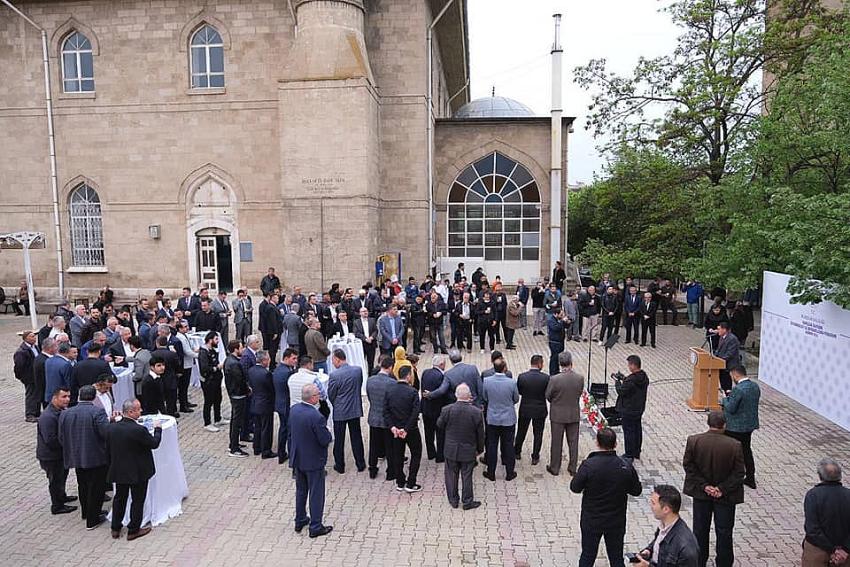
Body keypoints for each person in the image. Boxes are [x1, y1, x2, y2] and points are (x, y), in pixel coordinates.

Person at [570, 428, 643, 567]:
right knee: (616, 557)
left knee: (588, 555)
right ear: (615, 444)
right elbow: (636, 491)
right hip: (616, 520)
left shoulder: (589, 465)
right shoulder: (625, 466)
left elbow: (575, 487)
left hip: (592, 519)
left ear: (597, 443)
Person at [683, 411, 746, 567]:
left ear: (708, 423)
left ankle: (699, 561)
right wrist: (721, 489)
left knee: (700, 530)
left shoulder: (694, 441)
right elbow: (739, 473)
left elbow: (689, 466)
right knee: (724, 532)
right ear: (724, 424)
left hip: (701, 494)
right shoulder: (735, 445)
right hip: (725, 496)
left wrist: (705, 486)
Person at [107, 399, 162, 541]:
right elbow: (154, 444)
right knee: (137, 500)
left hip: (119, 469)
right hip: (138, 471)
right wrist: (157, 429)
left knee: (120, 498)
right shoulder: (139, 430)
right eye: (138, 409)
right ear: (130, 412)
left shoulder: (112, 427)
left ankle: (115, 527)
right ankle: (133, 529)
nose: (141, 410)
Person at [58, 385, 110, 530]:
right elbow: (106, 434)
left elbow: (61, 436)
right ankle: (93, 519)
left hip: (76, 456)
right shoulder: (97, 412)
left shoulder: (66, 413)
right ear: (94, 397)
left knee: (83, 485)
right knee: (96, 487)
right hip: (95, 457)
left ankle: (86, 512)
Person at [290, 383, 334, 538]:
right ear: (313, 397)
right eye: (318, 395)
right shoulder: (316, 417)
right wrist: (327, 431)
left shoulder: (294, 410)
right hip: (314, 460)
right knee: (316, 493)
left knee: (301, 490)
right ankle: (315, 526)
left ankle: (300, 519)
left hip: (298, 458)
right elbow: (325, 439)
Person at [437, 383, 484, 510]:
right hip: (468, 450)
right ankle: (467, 501)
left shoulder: (446, 410)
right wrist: (480, 449)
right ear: (469, 396)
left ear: (456, 395)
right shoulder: (476, 412)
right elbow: (481, 434)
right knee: (467, 475)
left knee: (451, 474)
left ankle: (453, 500)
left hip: (451, 449)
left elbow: (439, 425)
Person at [633, 485, 700, 567]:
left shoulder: (686, 548)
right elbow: (658, 542)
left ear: (666, 509)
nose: (650, 506)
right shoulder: (664, 525)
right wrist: (649, 550)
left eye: (653, 503)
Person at [802, 458, 850, 567]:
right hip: (845, 554)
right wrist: (845, 549)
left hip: (817, 550)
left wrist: (832, 550)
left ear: (820, 476)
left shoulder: (813, 495)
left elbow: (812, 529)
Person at [37, 387, 76, 515]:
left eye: (68, 396)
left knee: (61, 477)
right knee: (55, 480)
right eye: (63, 397)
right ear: (54, 398)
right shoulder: (48, 417)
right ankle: (57, 506)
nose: (67, 400)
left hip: (59, 455)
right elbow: (50, 440)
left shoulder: (59, 411)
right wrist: (68, 444)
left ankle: (62, 496)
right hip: (51, 456)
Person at [383, 365, 422, 493]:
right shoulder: (413, 392)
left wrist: (393, 427)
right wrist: (405, 429)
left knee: (397, 455)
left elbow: (385, 411)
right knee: (416, 453)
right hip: (410, 430)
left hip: (395, 431)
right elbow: (415, 413)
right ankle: (411, 483)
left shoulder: (389, 390)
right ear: (408, 376)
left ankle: (400, 481)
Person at [720, 365, 759, 489]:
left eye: (731, 376)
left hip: (735, 427)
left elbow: (731, 408)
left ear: (736, 375)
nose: (732, 378)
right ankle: (751, 478)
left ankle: (729, 476)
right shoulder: (755, 386)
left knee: (730, 452)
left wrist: (725, 399)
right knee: (746, 451)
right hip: (749, 426)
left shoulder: (738, 390)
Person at [546, 351, 585, 476]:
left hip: (557, 414)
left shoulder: (554, 379)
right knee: (573, 442)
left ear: (559, 364)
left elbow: (548, 395)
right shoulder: (579, 378)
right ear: (571, 363)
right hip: (573, 413)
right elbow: (579, 393)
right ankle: (573, 468)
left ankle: (555, 467)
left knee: (556, 442)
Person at [327, 349, 366, 474]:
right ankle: (360, 463)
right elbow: (358, 386)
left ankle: (340, 465)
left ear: (338, 359)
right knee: (356, 437)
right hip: (354, 409)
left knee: (339, 440)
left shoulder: (334, 376)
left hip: (340, 412)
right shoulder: (357, 370)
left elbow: (331, 394)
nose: (333, 362)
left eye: (333, 360)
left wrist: (337, 404)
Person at [481, 358, 518, 482]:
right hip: (508, 418)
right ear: (504, 368)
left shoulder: (486, 381)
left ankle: (491, 472)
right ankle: (509, 472)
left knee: (492, 445)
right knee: (508, 445)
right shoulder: (512, 382)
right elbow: (516, 399)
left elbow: (485, 397)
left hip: (492, 418)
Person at [514, 354, 549, 465]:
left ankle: (517, 451)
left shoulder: (522, 377)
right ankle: (535, 456)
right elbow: (547, 393)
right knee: (538, 433)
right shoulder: (546, 378)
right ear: (539, 364)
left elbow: (519, 391)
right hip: (540, 409)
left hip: (525, 408)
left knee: (521, 431)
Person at [366, 355, 397, 480]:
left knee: (373, 445)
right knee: (389, 446)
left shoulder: (370, 380)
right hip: (387, 419)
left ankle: (372, 470)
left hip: (373, 417)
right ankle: (390, 472)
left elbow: (369, 397)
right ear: (390, 367)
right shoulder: (392, 383)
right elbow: (393, 402)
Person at [615, 355, 649, 461]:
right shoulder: (643, 377)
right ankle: (636, 451)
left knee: (629, 431)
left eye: (629, 364)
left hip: (628, 410)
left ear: (634, 365)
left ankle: (629, 454)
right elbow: (632, 384)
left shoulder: (631, 380)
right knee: (637, 429)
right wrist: (624, 378)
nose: (628, 367)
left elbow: (621, 391)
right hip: (639, 408)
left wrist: (617, 381)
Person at [224, 340, 251, 458]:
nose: (243, 350)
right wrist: (247, 390)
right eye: (241, 348)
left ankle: (234, 443)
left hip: (235, 393)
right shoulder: (234, 363)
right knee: (236, 421)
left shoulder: (230, 360)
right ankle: (234, 447)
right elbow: (240, 380)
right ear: (235, 349)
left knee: (236, 420)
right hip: (237, 395)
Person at [248, 350, 276, 459]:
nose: (269, 361)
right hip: (265, 404)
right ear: (263, 360)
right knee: (266, 428)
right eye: (268, 359)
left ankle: (257, 448)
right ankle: (266, 451)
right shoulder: (266, 374)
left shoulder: (251, 370)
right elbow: (271, 389)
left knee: (258, 427)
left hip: (255, 402)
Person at [421, 354, 448, 462]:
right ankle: (440, 456)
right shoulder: (441, 376)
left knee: (428, 432)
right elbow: (443, 393)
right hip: (438, 409)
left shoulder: (425, 372)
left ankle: (431, 453)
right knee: (440, 433)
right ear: (441, 365)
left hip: (426, 408)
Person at [272, 348, 298, 463]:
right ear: (286, 358)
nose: (295, 361)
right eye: (293, 358)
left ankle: (281, 453)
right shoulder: (287, 373)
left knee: (283, 428)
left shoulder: (278, 369)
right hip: (286, 404)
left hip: (280, 403)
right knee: (287, 430)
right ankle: (288, 454)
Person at [198, 331, 226, 432]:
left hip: (216, 379)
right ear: (210, 340)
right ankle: (207, 423)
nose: (217, 341)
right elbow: (204, 368)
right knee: (208, 401)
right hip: (208, 381)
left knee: (218, 398)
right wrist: (216, 368)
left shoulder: (213, 350)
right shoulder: (203, 352)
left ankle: (218, 418)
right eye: (216, 339)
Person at [14, 330, 41, 422]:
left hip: (37, 376)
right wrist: (22, 377)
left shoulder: (36, 347)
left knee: (37, 395)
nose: (34, 338)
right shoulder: (21, 351)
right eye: (32, 336)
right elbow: (19, 366)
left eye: (34, 336)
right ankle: (30, 414)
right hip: (29, 377)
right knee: (31, 395)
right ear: (25, 338)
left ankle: (37, 412)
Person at [712, 322, 740, 393]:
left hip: (729, 364)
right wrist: (714, 356)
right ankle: (724, 394)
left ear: (724, 330)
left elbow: (730, 353)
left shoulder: (732, 339)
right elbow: (719, 349)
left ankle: (728, 395)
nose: (718, 330)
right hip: (722, 364)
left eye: (719, 329)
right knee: (722, 380)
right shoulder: (722, 337)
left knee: (727, 381)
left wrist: (720, 360)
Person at [45, 342, 75, 406]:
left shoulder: (48, 360)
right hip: (61, 397)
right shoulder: (66, 364)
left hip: (50, 395)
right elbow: (69, 383)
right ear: (68, 351)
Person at [258, 293, 282, 371]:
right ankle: (272, 365)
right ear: (273, 299)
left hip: (275, 331)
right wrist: (275, 332)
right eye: (276, 298)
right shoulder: (271, 308)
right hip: (273, 332)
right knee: (273, 349)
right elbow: (272, 321)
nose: (278, 300)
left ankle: (272, 363)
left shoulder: (272, 307)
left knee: (274, 349)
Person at [353, 306, 378, 371]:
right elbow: (356, 333)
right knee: (361, 361)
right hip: (362, 344)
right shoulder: (356, 322)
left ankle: (371, 376)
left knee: (371, 362)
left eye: (366, 311)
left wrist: (372, 337)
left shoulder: (372, 320)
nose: (365, 312)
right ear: (360, 313)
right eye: (363, 311)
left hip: (371, 343)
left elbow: (375, 330)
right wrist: (365, 339)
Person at [546, 305, 568, 376]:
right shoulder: (551, 320)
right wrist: (562, 322)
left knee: (558, 358)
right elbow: (556, 328)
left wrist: (567, 322)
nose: (562, 316)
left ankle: (557, 370)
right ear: (556, 314)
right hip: (554, 343)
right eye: (561, 314)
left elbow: (566, 326)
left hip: (561, 342)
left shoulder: (560, 320)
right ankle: (552, 372)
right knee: (554, 358)